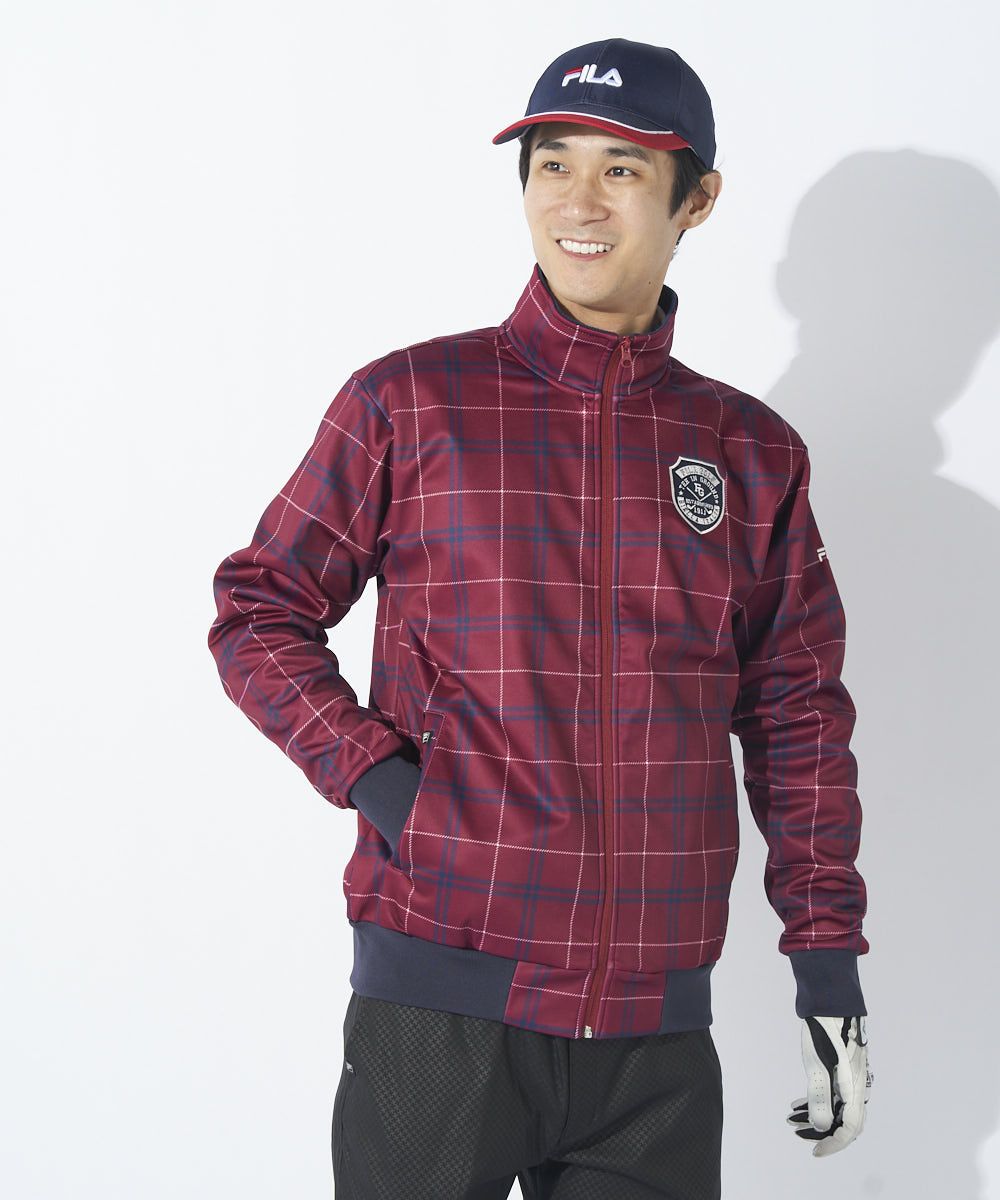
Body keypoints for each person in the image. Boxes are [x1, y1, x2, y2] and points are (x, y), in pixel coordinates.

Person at [207, 36, 873, 1199]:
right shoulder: (412, 403)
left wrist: (827, 968)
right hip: (440, 1012)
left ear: (696, 200)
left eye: (622, 170)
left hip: (655, 1043)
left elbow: (797, 718)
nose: (577, 201)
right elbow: (258, 610)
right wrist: (388, 788)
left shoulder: (749, 452)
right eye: (552, 164)